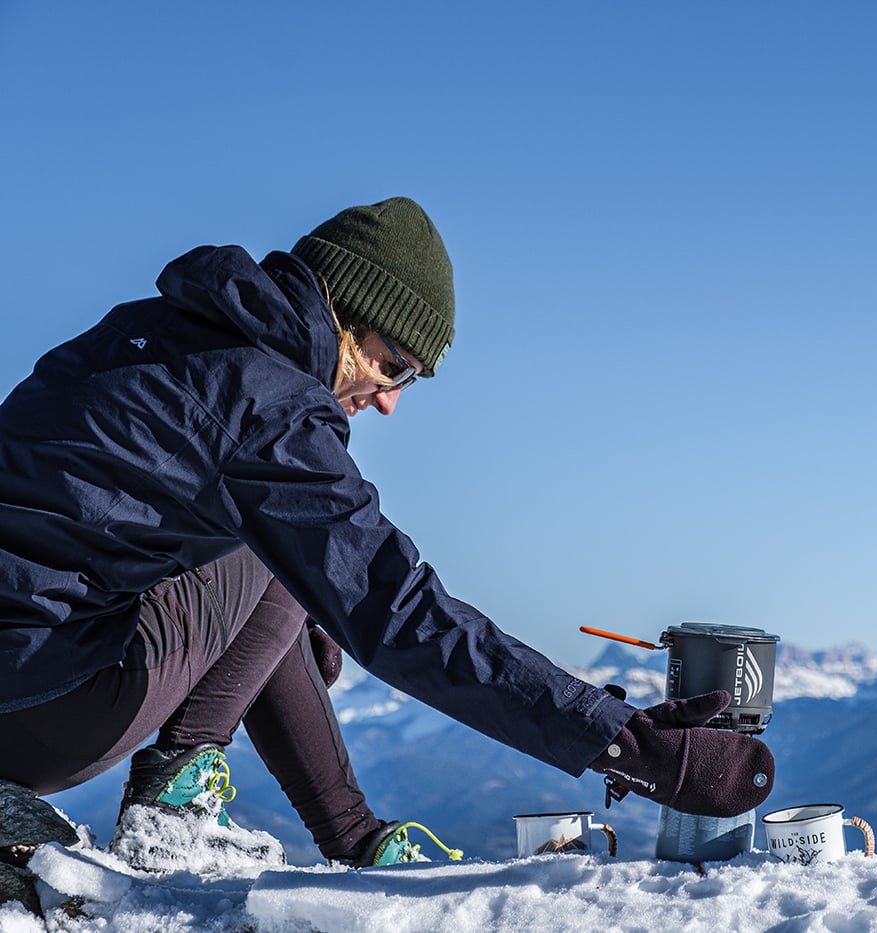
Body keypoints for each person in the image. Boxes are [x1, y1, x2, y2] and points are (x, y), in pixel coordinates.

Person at [0, 198, 775, 890]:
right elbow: (399, 611)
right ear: (342, 313)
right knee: (282, 561)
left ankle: (351, 838)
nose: (391, 400)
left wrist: (290, 628)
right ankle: (181, 813)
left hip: (20, 680)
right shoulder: (266, 403)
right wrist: (625, 741)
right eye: (392, 364)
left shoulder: (154, 329)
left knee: (283, 564)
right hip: (48, 700)